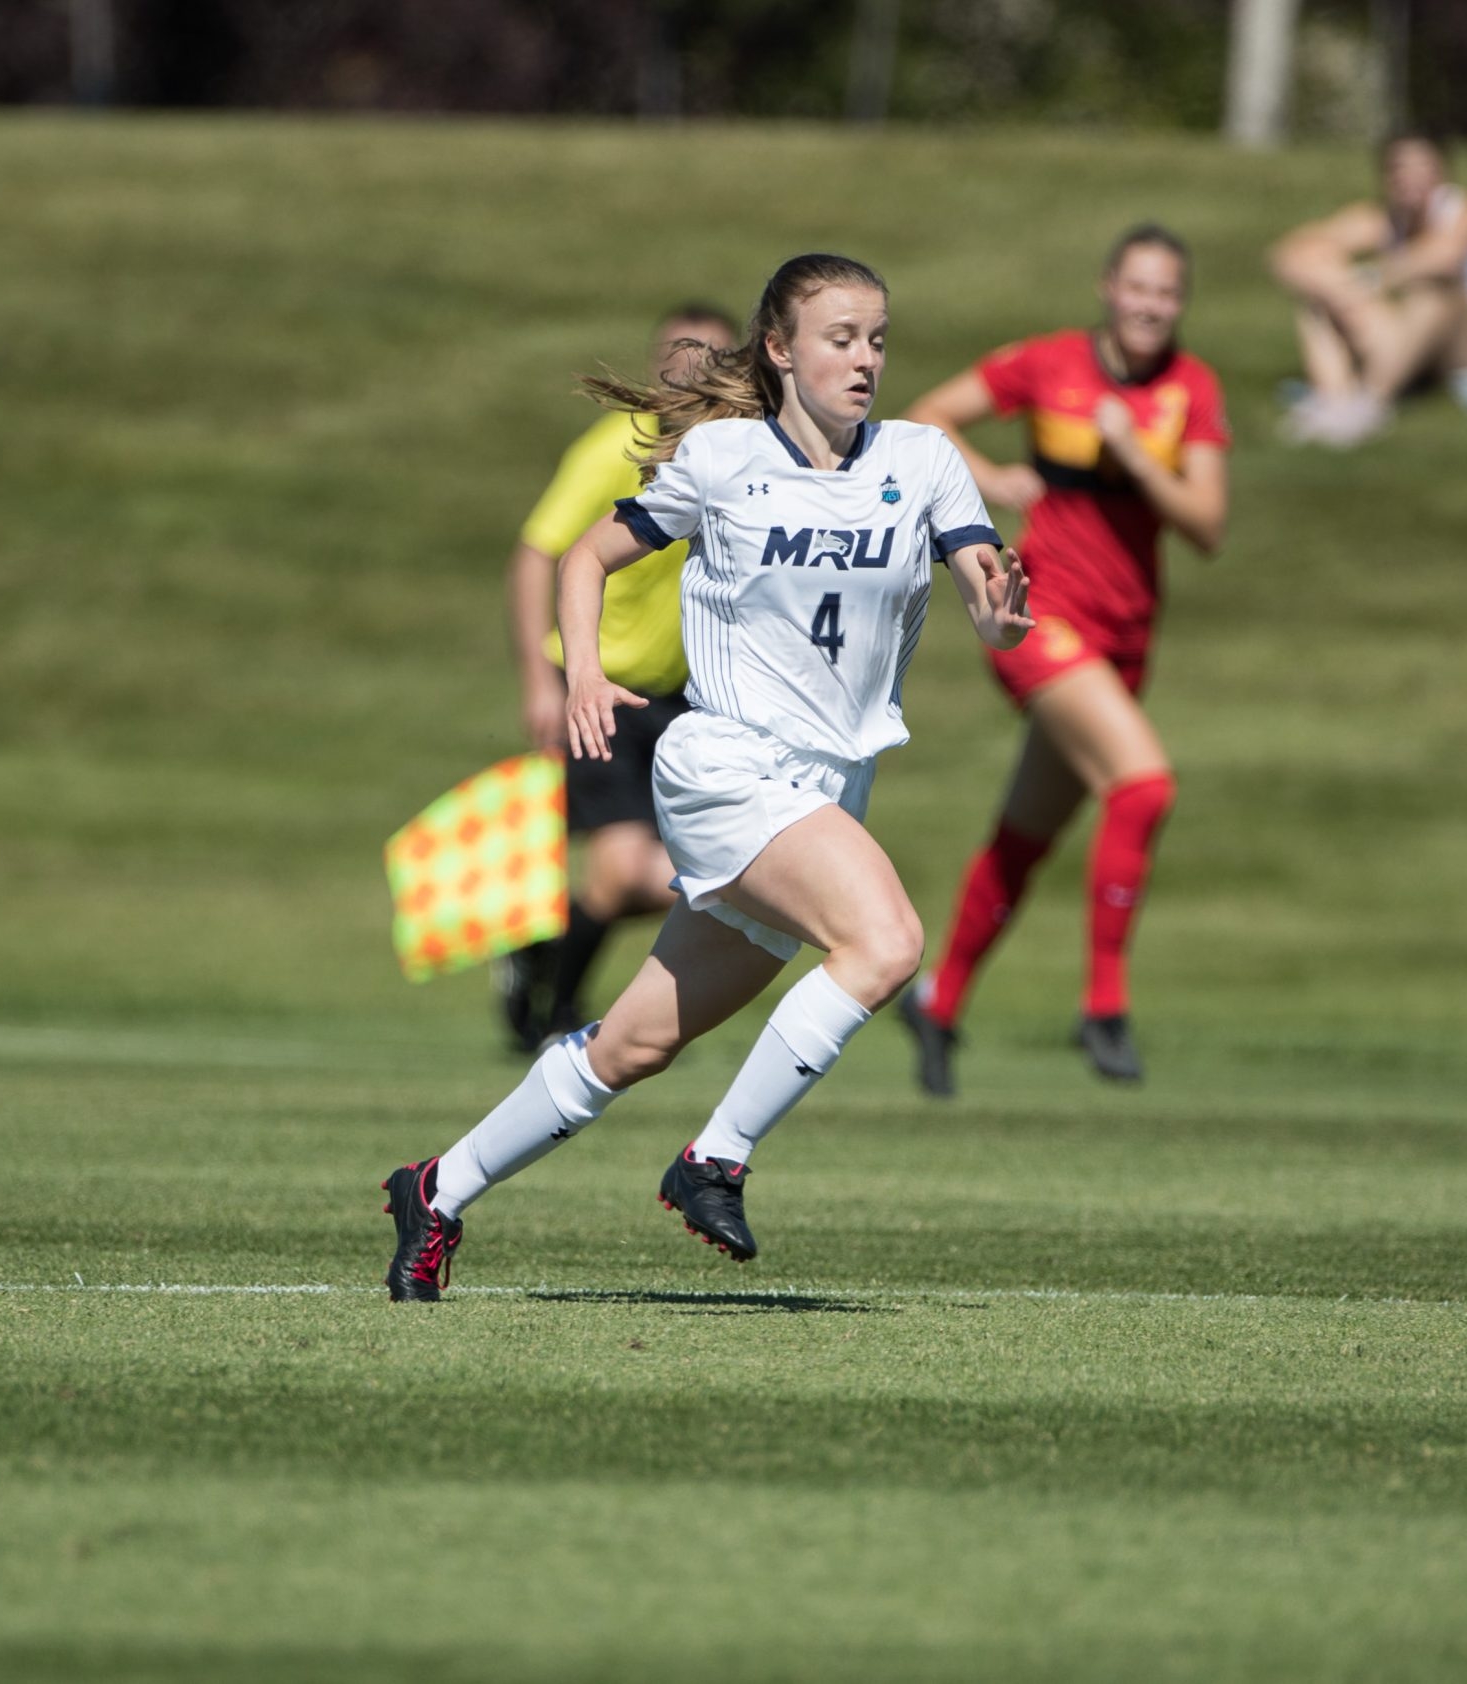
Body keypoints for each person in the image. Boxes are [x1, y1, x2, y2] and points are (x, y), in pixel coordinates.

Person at [381, 253, 1032, 1299]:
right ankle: (713, 1159)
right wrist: (581, 670)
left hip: (822, 792)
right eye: (840, 337)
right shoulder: (725, 457)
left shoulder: (925, 457)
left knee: (631, 1046)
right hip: (723, 765)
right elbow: (582, 558)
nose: (864, 358)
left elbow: (983, 597)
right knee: (887, 940)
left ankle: (436, 1188)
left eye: (876, 338)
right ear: (779, 351)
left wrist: (1001, 618)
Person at [895, 225, 1230, 1094]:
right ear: (1107, 289)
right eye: (1138, 287)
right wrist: (992, 480)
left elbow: (1206, 526)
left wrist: (1131, 457)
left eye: (1168, 293)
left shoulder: (1190, 388)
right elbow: (928, 418)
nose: (1152, 306)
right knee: (1144, 784)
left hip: (1124, 639)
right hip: (1036, 616)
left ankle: (938, 1003)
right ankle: (1104, 1007)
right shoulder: (1049, 363)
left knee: (1026, 837)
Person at [491, 302, 737, 1052]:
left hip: (680, 702)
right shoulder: (616, 447)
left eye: (715, 356)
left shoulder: (733, 460)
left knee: (703, 877)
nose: (694, 368)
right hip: (602, 690)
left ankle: (540, 956)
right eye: (681, 351)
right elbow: (539, 553)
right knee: (631, 871)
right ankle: (558, 1014)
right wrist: (544, 679)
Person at [1269, 130, 1467, 449]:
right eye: (1400, 168)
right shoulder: (1382, 218)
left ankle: (1370, 404)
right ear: (1385, 176)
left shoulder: (1462, 210)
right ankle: (1335, 400)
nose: (1411, 177)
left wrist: (1370, 278)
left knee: (1436, 291)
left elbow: (1444, 257)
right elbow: (1290, 254)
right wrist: (1339, 288)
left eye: (1422, 167)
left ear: (1442, 173)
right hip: (1414, 344)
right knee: (1319, 299)